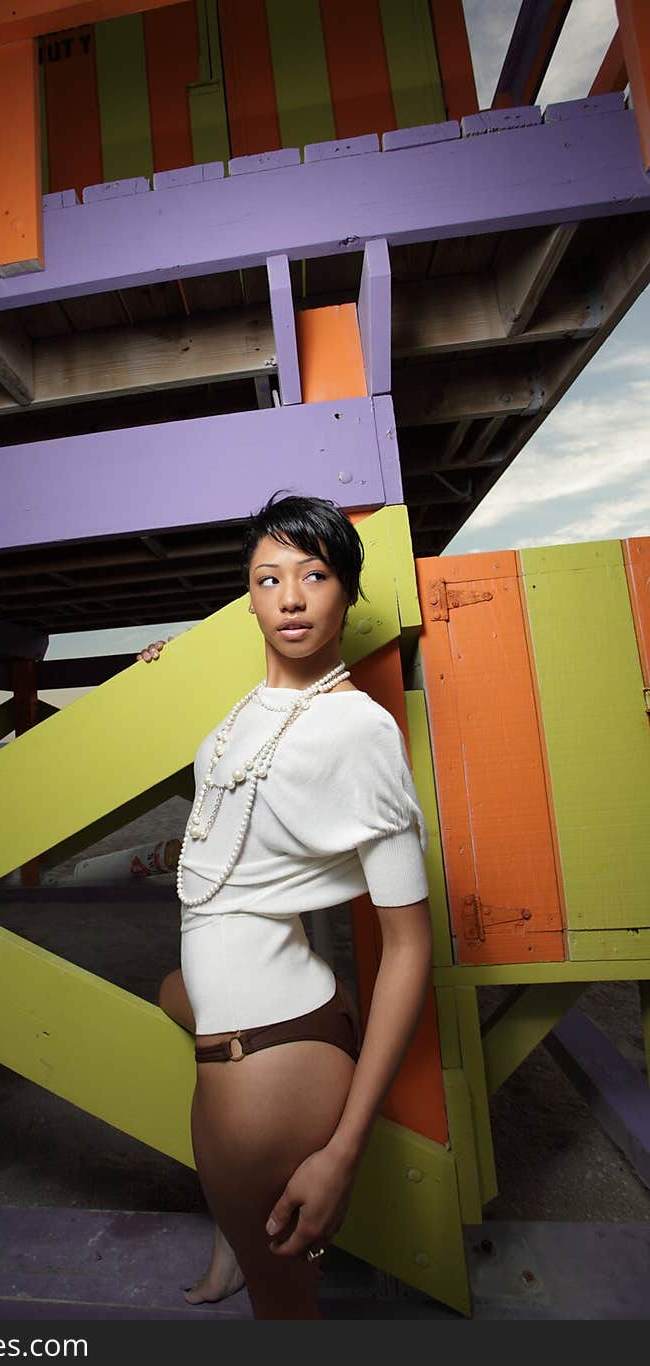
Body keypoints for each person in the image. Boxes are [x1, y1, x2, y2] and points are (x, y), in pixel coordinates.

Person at [135, 490, 433, 1320]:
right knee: (173, 993)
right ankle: (233, 1226)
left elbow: (410, 945)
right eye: (268, 580)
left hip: (268, 1062)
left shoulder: (358, 730)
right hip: (281, 1003)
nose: (292, 597)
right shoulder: (249, 707)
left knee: (287, 1320)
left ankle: (242, 1225)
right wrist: (160, 670)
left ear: (347, 591)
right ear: (248, 596)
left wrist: (343, 1151)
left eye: (316, 574)